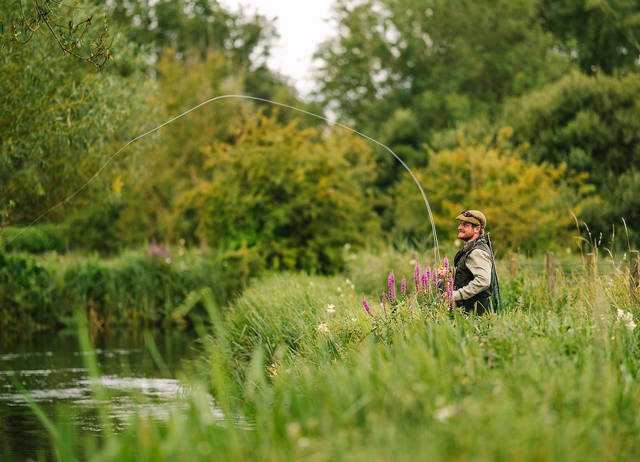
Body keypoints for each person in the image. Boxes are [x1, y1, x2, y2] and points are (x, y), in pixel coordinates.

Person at [441, 210, 501, 315]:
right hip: (470, 314)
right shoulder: (472, 248)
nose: (460, 227)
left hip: (476, 316)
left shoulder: (477, 252)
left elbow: (483, 281)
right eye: (460, 224)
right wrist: (450, 272)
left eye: (465, 225)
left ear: (477, 229)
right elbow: (468, 273)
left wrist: (455, 295)